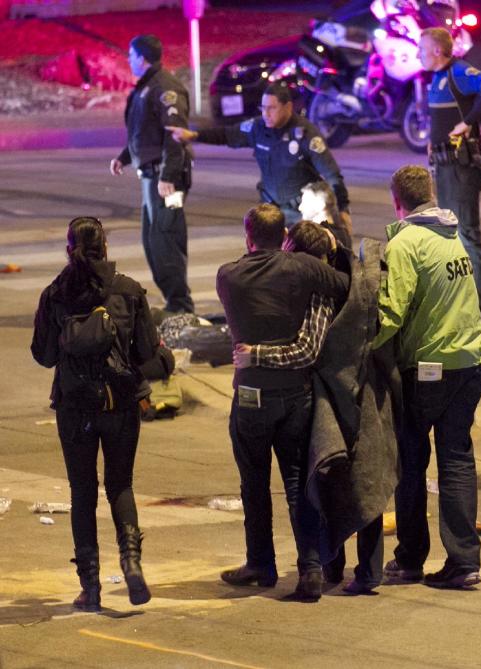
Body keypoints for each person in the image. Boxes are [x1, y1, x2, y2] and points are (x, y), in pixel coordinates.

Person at [216, 203, 349, 601]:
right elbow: (344, 283)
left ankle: (261, 563)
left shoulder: (228, 276)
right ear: (284, 235)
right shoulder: (302, 271)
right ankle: (309, 569)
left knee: (253, 483)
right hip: (295, 394)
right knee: (296, 482)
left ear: (248, 236)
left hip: (252, 395)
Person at [31, 216, 160, 612]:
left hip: (75, 408)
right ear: (105, 246)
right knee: (120, 485)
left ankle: (90, 586)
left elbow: (44, 354)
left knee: (82, 494)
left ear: (69, 249)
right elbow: (146, 353)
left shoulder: (56, 293)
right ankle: (132, 561)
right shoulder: (129, 290)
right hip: (120, 404)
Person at [374, 165, 481, 589]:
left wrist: (360, 344)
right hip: (470, 363)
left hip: (428, 369)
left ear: (397, 200)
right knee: (457, 459)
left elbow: (391, 313)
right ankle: (464, 561)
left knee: (411, 464)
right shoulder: (452, 233)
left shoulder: (406, 243)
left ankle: (409, 559)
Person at [167, 82, 350, 229]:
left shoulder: (306, 134)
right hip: (270, 212)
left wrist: (343, 210)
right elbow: (227, 134)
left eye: (272, 108)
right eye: (263, 108)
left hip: (301, 213)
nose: (266, 114)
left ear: (288, 107)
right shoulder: (258, 128)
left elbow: (332, 174)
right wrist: (195, 136)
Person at [419, 26, 481, 332]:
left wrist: (467, 123)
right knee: (452, 236)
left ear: (437, 51)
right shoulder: (437, 79)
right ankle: (464, 307)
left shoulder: (459, 71)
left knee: (467, 235)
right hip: (444, 166)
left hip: (461, 168)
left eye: (421, 48)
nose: (418, 54)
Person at [111, 34, 194, 314]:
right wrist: (125, 157)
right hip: (151, 176)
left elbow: (174, 137)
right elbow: (144, 132)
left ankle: (181, 306)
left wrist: (168, 176)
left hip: (166, 180)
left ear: (142, 58)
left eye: (131, 55)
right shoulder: (146, 88)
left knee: (165, 241)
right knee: (152, 241)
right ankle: (175, 302)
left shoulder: (165, 89)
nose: (128, 60)